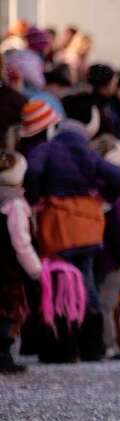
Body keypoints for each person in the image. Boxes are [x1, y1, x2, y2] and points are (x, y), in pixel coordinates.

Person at [25, 93, 120, 362]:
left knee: (61, 281)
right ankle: (91, 344)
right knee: (86, 278)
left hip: (59, 223)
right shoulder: (86, 150)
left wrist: (37, 199)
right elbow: (119, 175)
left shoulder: (51, 147)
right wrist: (103, 197)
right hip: (89, 223)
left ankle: (62, 344)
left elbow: (33, 170)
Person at [90, 135, 120, 360]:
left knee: (100, 298)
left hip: (95, 252)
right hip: (111, 257)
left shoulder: (92, 193)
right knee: (108, 302)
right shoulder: (113, 199)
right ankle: (108, 343)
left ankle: (103, 342)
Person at [0, 151, 41, 374]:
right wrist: (35, 268)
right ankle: (3, 354)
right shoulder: (14, 203)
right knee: (9, 308)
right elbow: (21, 241)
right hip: (9, 267)